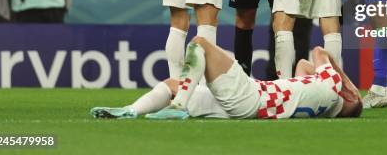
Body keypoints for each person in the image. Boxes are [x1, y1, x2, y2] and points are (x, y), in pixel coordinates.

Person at [91, 44, 362, 120]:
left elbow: (318, 52)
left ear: (345, 96)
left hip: (253, 96)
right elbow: (304, 66)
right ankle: (131, 110)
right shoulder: (321, 98)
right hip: (249, 107)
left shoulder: (328, 86)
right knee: (174, 85)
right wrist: (343, 87)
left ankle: (180, 106)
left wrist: (347, 83)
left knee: (200, 45)